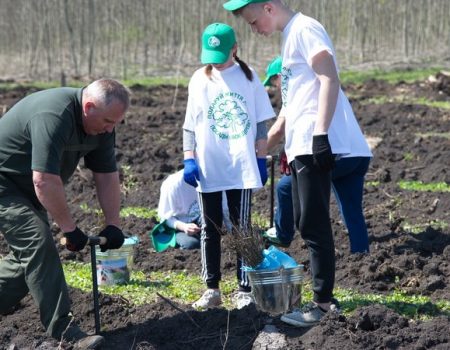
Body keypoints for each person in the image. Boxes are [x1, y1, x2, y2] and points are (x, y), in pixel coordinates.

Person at [224, 0, 371, 327]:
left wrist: (321, 135)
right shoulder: (289, 37)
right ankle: (321, 299)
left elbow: (329, 79)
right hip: (301, 143)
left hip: (315, 142)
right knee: (306, 220)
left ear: (269, 7)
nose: (254, 30)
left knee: (314, 222)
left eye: (252, 21)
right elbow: (291, 108)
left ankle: (322, 304)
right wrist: (260, 148)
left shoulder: (305, 28)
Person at [0, 79, 130, 348]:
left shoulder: (102, 126)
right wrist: (70, 229)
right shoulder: (54, 115)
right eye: (107, 121)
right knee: (38, 243)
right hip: (5, 182)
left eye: (116, 123)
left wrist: (113, 225)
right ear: (89, 107)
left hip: (28, 185)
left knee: (30, 260)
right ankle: (65, 330)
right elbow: (44, 180)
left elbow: (106, 175)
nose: (110, 129)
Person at [182, 23, 275, 310]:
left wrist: (260, 159)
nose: (215, 58)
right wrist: (188, 158)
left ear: (235, 48)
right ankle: (212, 288)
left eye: (220, 52)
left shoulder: (248, 78)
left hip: (240, 164)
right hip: (209, 165)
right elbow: (190, 124)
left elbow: (261, 123)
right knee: (210, 228)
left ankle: (244, 289)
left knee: (241, 227)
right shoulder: (198, 79)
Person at [263, 56, 372, 253]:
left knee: (285, 187)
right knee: (352, 210)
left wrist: (258, 156)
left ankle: (282, 234)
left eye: (274, 80)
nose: (275, 86)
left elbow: (278, 130)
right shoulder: (325, 87)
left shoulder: (299, 91)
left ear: (283, 75)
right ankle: (361, 253)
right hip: (359, 154)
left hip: (334, 155)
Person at [157, 170, 232, 250]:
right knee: (191, 244)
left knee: (215, 239)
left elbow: (224, 208)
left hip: (203, 219)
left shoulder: (213, 180)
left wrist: (231, 232)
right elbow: (165, 218)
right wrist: (184, 227)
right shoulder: (172, 185)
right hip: (179, 227)